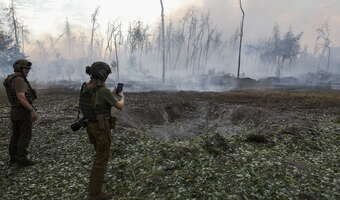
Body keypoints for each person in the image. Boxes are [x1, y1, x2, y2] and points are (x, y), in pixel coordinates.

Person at [79, 61, 124, 200]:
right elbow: (119, 106)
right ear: (102, 75)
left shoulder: (86, 87)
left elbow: (97, 98)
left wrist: (112, 93)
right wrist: (122, 97)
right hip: (101, 129)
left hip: (91, 127)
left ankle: (94, 187)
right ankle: (95, 194)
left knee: (99, 156)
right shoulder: (103, 91)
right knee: (101, 159)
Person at [3, 59, 38, 167]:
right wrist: (31, 110)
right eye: (26, 68)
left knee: (16, 134)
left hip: (15, 111)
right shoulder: (19, 80)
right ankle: (21, 159)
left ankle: (14, 157)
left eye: (28, 69)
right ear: (20, 68)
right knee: (25, 135)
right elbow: (21, 97)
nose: (28, 71)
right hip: (22, 111)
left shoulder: (12, 78)